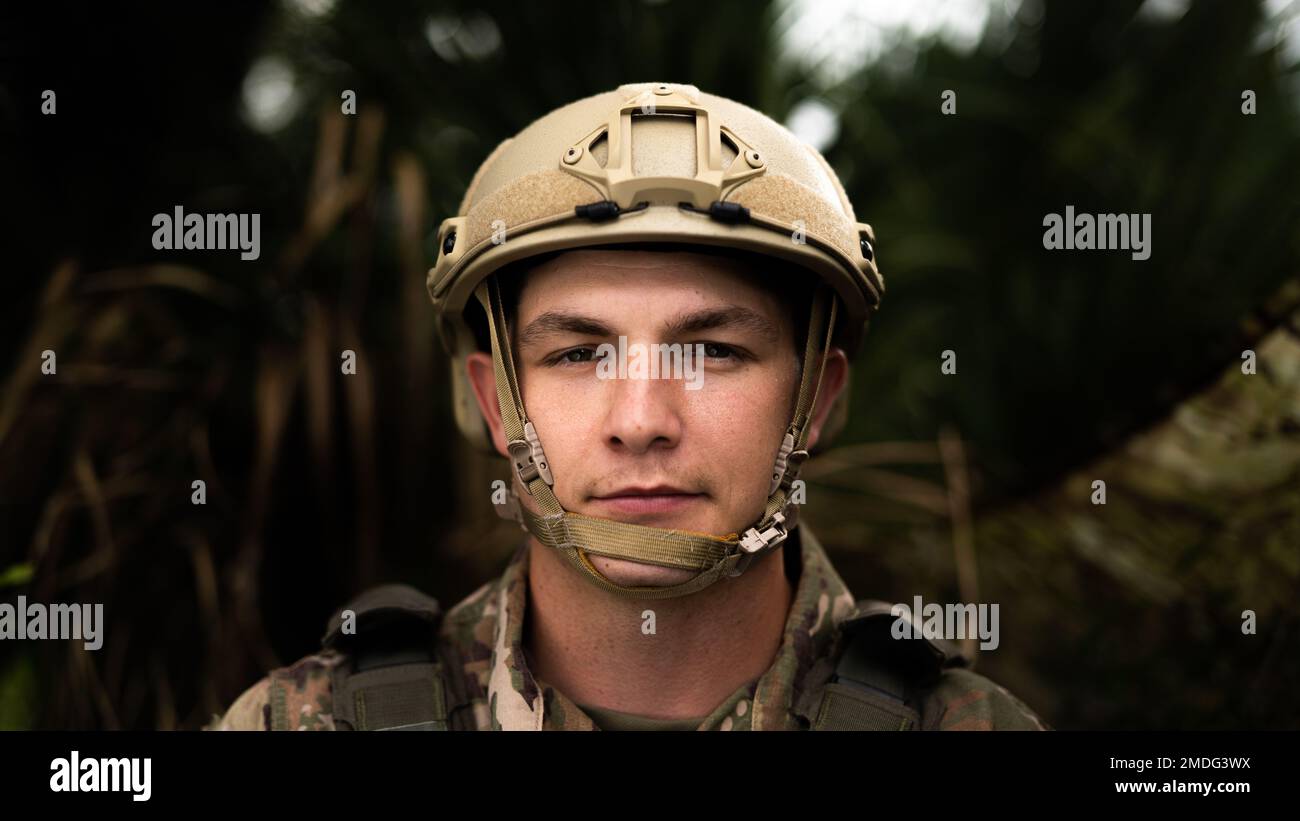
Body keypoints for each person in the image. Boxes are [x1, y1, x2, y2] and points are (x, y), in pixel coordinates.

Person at [211, 82, 1045, 731]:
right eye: (578, 354)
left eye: (715, 351)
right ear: (498, 405)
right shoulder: (306, 719)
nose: (641, 420)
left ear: (815, 399)